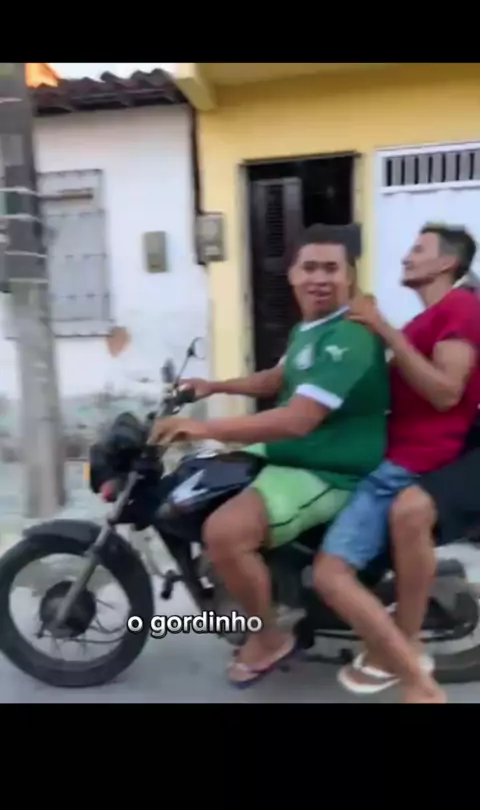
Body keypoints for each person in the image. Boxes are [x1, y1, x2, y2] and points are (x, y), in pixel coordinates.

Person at [148, 223, 389, 687]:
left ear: (349, 276)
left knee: (224, 532)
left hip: (330, 467)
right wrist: (213, 386)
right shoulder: (308, 330)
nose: (319, 278)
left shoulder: (350, 337)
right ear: (292, 275)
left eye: (331, 268)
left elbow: (298, 419)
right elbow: (277, 380)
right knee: (199, 480)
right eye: (309, 268)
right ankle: (264, 586)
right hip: (295, 453)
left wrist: (205, 427)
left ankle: (268, 637)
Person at [313, 223, 480, 704]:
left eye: (418, 250)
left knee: (331, 573)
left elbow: (446, 392)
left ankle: (406, 665)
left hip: (410, 463)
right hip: (386, 454)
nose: (406, 257)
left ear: (446, 263)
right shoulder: (422, 323)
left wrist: (383, 328)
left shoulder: (461, 309)